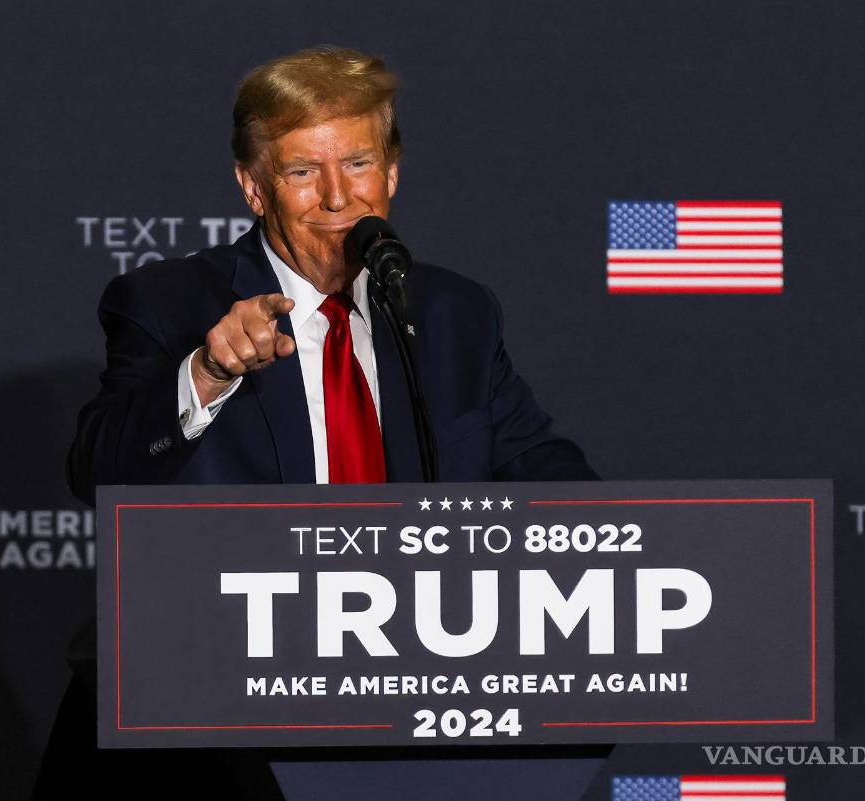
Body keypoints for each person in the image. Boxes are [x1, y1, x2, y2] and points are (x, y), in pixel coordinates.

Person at [36, 46, 597, 800]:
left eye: (358, 164)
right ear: (253, 186)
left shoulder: (452, 313)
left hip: (409, 709)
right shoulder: (168, 304)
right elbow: (99, 469)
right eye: (303, 172)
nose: (339, 199)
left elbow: (554, 480)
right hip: (213, 729)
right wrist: (208, 372)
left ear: (392, 173)